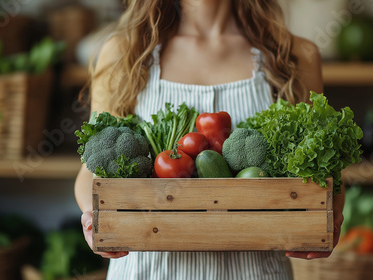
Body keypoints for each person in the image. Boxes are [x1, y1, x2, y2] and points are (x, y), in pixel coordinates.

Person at [74, 0, 345, 279]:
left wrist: (329, 217)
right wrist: (92, 217)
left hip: (256, 272)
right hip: (147, 269)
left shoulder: (296, 56)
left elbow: (325, 170)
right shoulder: (123, 53)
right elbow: (91, 171)